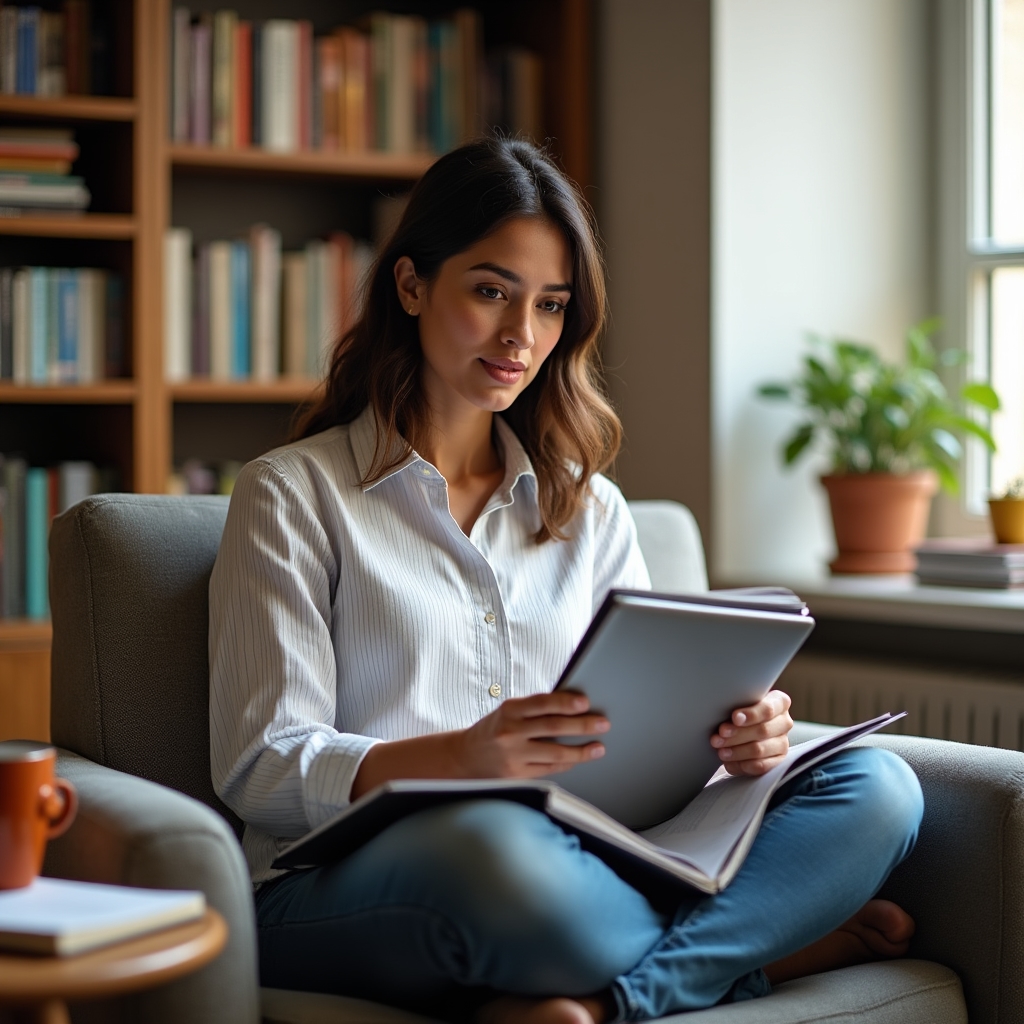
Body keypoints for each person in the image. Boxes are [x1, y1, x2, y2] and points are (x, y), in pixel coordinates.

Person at [208, 137, 924, 1024]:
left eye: (550, 306)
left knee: (881, 789)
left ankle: (614, 996)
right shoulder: (291, 494)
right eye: (490, 291)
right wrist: (458, 758)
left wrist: (739, 737)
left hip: (581, 855)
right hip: (357, 879)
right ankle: (755, 951)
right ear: (411, 285)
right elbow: (260, 766)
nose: (522, 336)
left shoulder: (591, 510)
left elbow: (639, 735)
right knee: (496, 849)